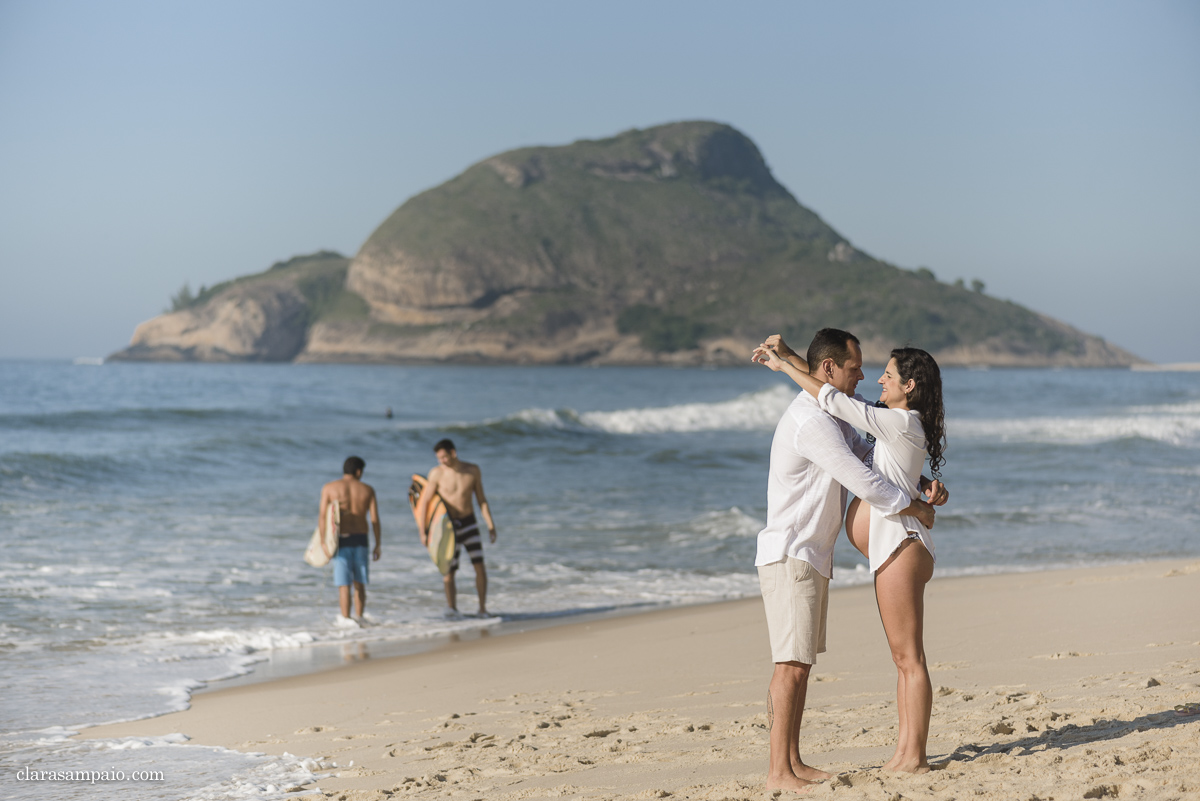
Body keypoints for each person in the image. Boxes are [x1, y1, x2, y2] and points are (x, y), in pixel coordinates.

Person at [748, 328, 946, 792]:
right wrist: (917, 501)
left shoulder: (840, 418)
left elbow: (866, 449)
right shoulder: (814, 422)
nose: (868, 378)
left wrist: (919, 491)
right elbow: (865, 478)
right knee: (791, 666)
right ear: (832, 369)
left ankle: (796, 762)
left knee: (804, 665)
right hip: (793, 554)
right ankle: (781, 771)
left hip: (822, 556)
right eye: (856, 369)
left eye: (880, 372)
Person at [414, 439, 498, 618]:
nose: (442, 461)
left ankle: (482, 609)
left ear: (453, 453)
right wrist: (423, 531)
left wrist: (490, 524)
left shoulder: (472, 471)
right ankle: (452, 609)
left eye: (444, 457)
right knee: (449, 570)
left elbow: (481, 500)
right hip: (448, 527)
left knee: (479, 567)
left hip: (469, 523)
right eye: (439, 458)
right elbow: (425, 503)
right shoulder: (436, 474)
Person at [319, 456, 381, 627]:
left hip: (341, 541)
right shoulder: (367, 489)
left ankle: (346, 621)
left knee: (343, 584)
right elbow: (375, 519)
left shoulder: (329, 488)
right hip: (361, 539)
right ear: (359, 471)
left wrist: (324, 543)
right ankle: (359, 619)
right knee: (359, 583)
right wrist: (378, 544)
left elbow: (323, 516)